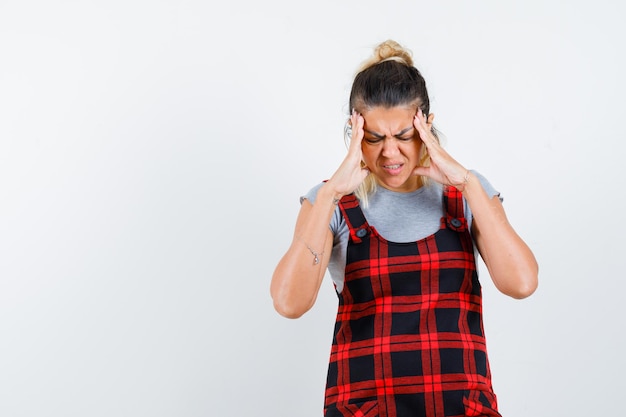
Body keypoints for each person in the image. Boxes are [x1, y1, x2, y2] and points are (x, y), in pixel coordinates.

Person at [270, 39, 538, 417]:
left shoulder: (467, 194)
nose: (389, 153)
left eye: (404, 136)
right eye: (374, 137)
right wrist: (331, 192)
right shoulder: (330, 203)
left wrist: (468, 184)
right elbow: (288, 303)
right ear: (354, 130)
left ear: (426, 125)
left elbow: (522, 283)